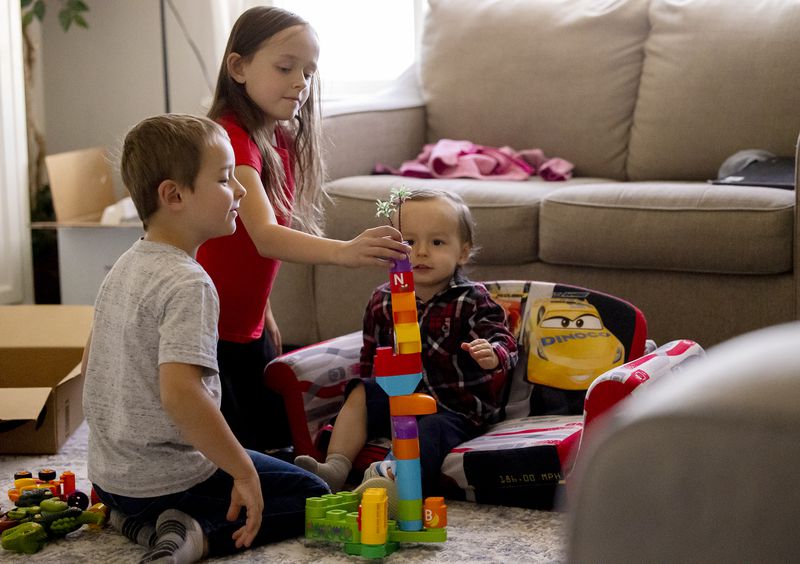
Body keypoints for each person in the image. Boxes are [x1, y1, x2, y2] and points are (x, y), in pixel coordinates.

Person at [81, 114, 329, 563]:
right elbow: (182, 395)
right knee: (312, 493)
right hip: (167, 482)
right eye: (224, 178)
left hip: (110, 481)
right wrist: (243, 473)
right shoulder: (189, 282)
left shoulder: (126, 264)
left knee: (253, 462)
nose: (240, 190)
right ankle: (196, 532)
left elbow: (92, 361)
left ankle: (134, 522)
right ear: (174, 195)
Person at [196, 6, 409, 453]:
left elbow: (240, 246)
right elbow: (264, 235)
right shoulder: (231, 138)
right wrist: (344, 251)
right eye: (285, 67)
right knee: (241, 460)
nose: (301, 82)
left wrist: (265, 308)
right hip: (209, 331)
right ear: (238, 67)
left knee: (281, 447)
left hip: (247, 327)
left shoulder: (276, 137)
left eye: (309, 71)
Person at [295, 189, 519, 500]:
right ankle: (334, 468)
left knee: (430, 430)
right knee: (361, 389)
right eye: (409, 242)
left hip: (453, 411)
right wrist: (372, 392)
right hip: (397, 398)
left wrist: (493, 353)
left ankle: (394, 484)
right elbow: (370, 356)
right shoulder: (382, 300)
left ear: (463, 252)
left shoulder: (472, 299)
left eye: (437, 242)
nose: (421, 252)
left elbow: (504, 339)